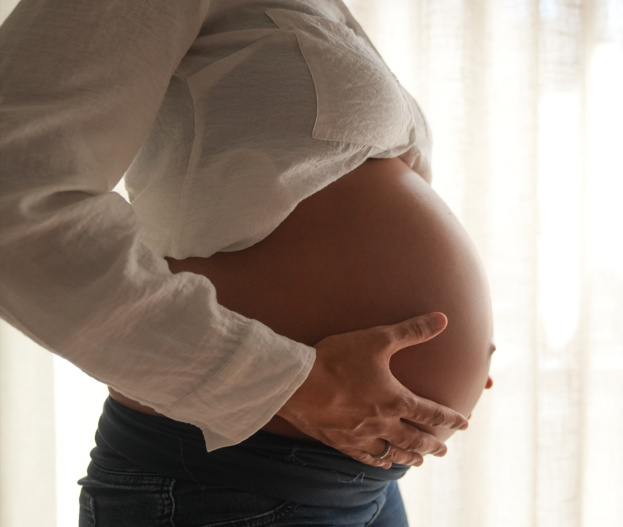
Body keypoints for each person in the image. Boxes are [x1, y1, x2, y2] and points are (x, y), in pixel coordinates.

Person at [0, 0, 495, 525]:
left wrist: (449, 352)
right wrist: (287, 381)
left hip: (359, 482)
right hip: (225, 484)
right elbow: (17, 197)